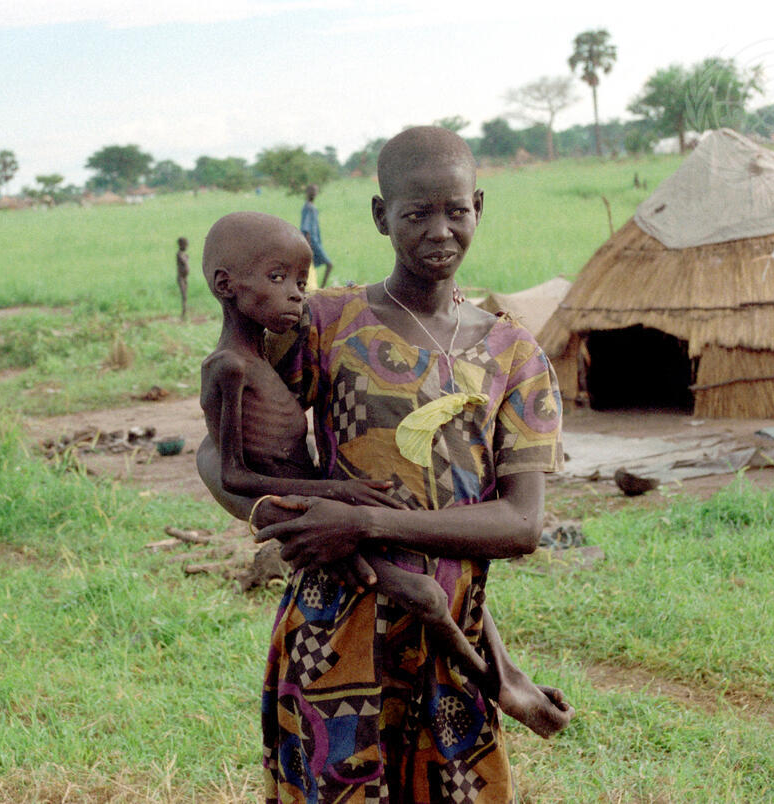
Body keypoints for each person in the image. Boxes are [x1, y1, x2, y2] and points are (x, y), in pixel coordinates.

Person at [199, 127, 572, 802]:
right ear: (381, 217)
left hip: (453, 635)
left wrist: (361, 523)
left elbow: (521, 524)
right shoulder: (323, 325)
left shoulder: (515, 355)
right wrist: (307, 526)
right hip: (333, 632)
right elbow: (221, 453)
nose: (439, 231)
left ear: (478, 208)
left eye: (456, 211)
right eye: (415, 213)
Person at [200, 210, 498, 686]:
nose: (296, 293)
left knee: (422, 575)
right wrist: (337, 493)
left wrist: (339, 496)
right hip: (306, 506)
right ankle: (495, 683)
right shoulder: (229, 368)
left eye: (301, 279)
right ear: (225, 284)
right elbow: (232, 472)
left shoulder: (268, 356)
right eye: (278, 278)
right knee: (423, 594)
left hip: (319, 501)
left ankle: (499, 673)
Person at [300, 184, 334, 286]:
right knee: (329, 264)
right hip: (312, 243)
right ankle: (321, 289)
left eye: (315, 191)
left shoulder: (309, 207)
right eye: (312, 191)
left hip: (314, 242)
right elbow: (306, 229)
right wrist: (308, 246)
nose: (314, 193)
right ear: (307, 193)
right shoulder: (309, 208)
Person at [176, 236, 191, 320]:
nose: (186, 247)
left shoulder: (184, 254)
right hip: (181, 277)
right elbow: (184, 261)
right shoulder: (179, 254)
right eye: (185, 245)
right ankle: (183, 312)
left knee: (185, 295)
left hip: (185, 277)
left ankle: (185, 311)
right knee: (184, 295)